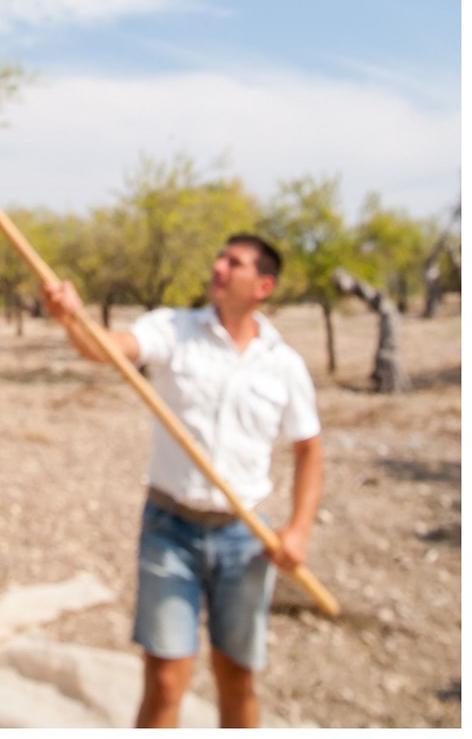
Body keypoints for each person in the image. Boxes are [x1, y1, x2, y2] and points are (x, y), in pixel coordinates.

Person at [41, 232, 323, 729]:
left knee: (236, 676)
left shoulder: (284, 365)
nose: (217, 266)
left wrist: (297, 530)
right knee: (167, 679)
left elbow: (308, 450)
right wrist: (71, 319)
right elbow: (107, 349)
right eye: (219, 256)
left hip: (246, 538)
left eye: (233, 262)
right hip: (170, 528)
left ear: (263, 286)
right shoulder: (174, 329)